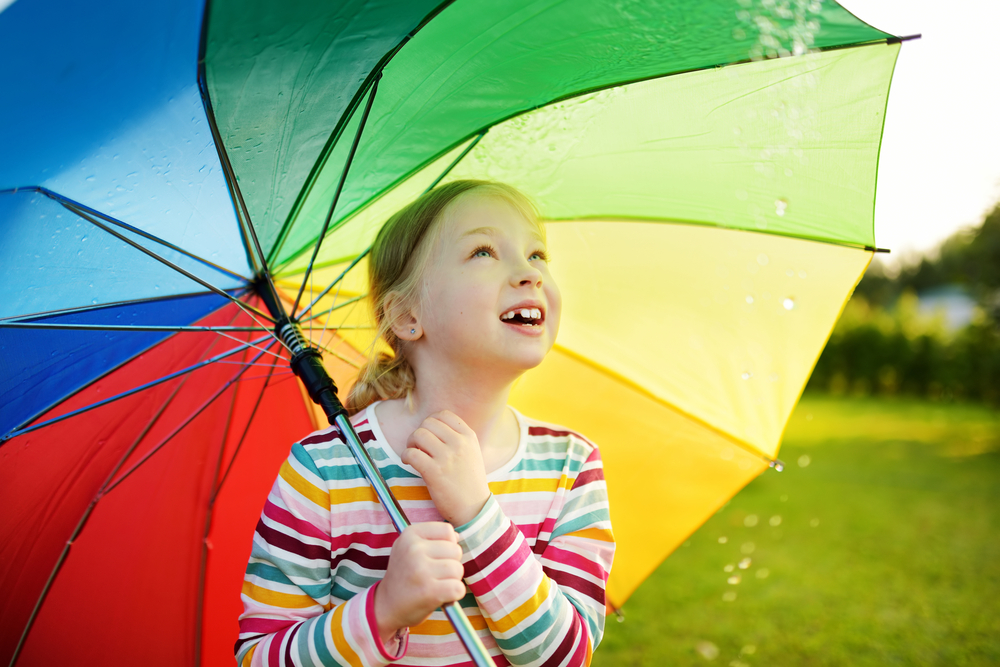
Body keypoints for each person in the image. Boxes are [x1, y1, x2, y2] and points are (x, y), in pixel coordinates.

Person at [236, 180, 615, 667]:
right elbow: (260, 658)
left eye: (537, 254)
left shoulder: (570, 466)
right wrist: (383, 610)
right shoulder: (327, 471)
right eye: (483, 251)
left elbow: (564, 656)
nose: (530, 274)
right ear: (407, 314)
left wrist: (477, 515)